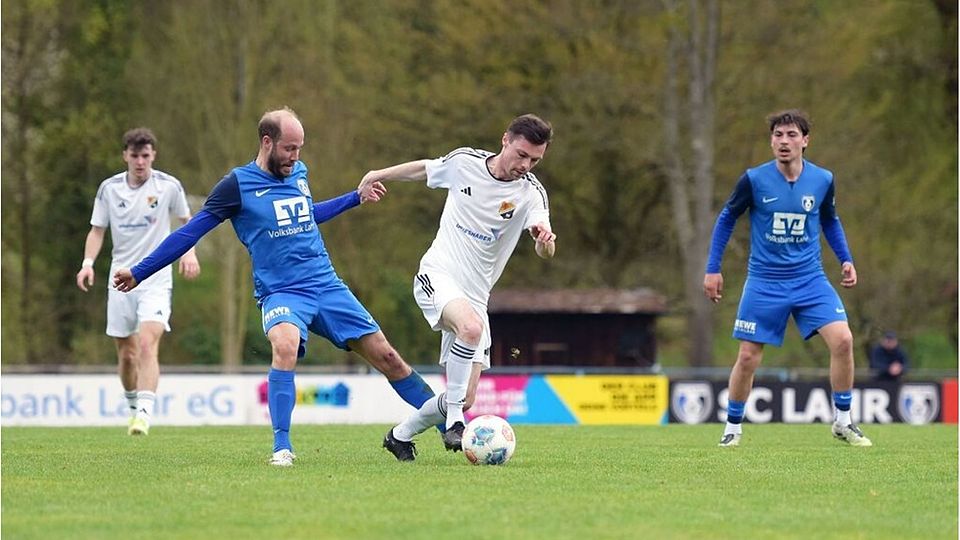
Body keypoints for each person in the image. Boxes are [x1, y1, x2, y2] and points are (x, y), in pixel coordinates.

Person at [113, 107, 437, 466]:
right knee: (284, 345)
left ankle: (450, 426)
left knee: (388, 357)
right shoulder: (236, 186)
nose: (295, 157)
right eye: (289, 148)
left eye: (299, 148)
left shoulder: (298, 172)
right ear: (267, 142)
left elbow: (306, 215)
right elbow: (191, 231)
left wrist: (353, 198)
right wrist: (141, 271)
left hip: (326, 284)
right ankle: (282, 447)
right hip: (281, 292)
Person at [360, 114, 558, 461]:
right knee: (469, 330)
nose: (526, 165)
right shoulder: (465, 163)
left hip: (476, 297)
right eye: (522, 155)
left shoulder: (531, 194)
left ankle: (399, 435)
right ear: (505, 140)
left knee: (464, 395)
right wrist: (379, 174)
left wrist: (543, 240)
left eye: (535, 160)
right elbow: (423, 169)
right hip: (438, 274)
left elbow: (546, 249)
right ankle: (455, 423)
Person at [703, 109, 872, 448]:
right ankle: (733, 428)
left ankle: (843, 421)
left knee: (843, 341)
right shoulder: (753, 179)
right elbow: (726, 219)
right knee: (748, 357)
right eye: (778, 135)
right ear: (771, 141)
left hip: (810, 279)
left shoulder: (823, 179)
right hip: (764, 281)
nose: (784, 141)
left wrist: (846, 259)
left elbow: (830, 220)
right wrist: (712, 268)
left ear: (805, 141)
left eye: (792, 135)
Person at [76, 127, 201, 437]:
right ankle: (133, 406)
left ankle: (144, 415)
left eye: (146, 156)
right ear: (125, 156)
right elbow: (96, 230)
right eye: (135, 156)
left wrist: (190, 254)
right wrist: (88, 264)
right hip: (120, 277)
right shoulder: (109, 189)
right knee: (127, 354)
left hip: (156, 277)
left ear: (153, 156)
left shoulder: (169, 186)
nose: (140, 162)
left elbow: (188, 224)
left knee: (147, 343)